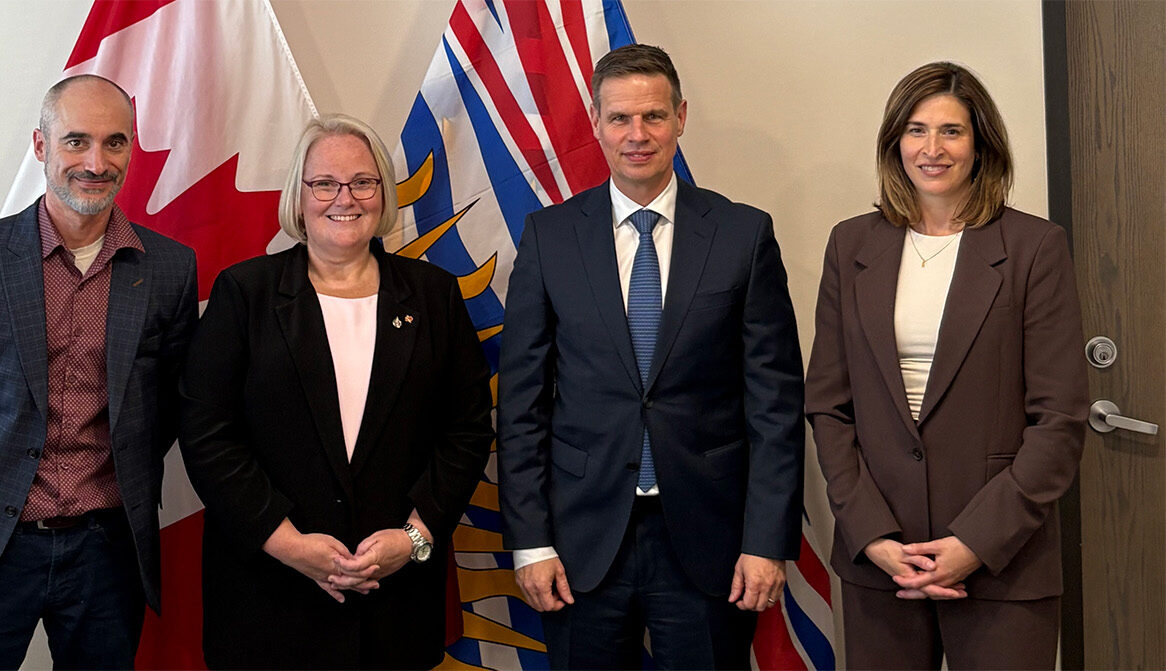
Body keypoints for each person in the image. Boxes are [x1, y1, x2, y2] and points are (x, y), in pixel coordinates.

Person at [497, 44, 805, 669]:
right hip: (579, 543)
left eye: (654, 116)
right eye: (620, 118)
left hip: (712, 542)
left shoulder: (743, 234)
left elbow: (775, 405)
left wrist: (766, 541)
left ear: (680, 117)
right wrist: (529, 542)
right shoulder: (548, 236)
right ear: (596, 122)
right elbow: (522, 405)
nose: (637, 135)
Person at [0, 74, 199, 669]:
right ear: (41, 145)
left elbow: (168, 405)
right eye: (76, 141)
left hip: (106, 552)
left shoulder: (169, 267)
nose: (96, 162)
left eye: (115, 143)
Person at [178, 113, 494, 669]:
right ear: (299, 197)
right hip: (269, 597)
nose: (344, 198)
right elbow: (207, 434)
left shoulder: (434, 296)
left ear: (383, 192)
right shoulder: (245, 293)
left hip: (394, 598)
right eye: (324, 183)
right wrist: (288, 544)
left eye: (363, 182)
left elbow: (466, 431)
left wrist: (414, 537)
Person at [805, 61, 1087, 669]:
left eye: (951, 131)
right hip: (882, 561)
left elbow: (1060, 418)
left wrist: (975, 542)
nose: (931, 149)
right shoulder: (851, 244)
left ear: (981, 144)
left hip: (1003, 561)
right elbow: (828, 405)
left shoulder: (1034, 247)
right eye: (916, 130)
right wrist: (871, 534)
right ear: (895, 142)